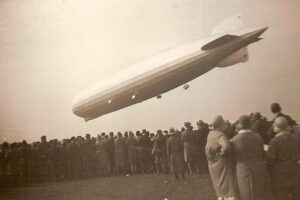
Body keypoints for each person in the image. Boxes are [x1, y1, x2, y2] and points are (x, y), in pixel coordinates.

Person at [231, 115, 272, 200]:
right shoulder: (258, 137)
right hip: (259, 168)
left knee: (245, 194)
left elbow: (232, 156)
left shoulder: (234, 140)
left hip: (243, 169)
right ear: (250, 124)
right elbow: (262, 152)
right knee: (260, 194)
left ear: (239, 125)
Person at [267, 117, 300, 200]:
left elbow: (270, 159)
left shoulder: (275, 141)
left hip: (280, 173)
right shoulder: (296, 139)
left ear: (277, 127)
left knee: (281, 195)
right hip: (295, 170)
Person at [205, 115, 238, 200]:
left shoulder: (210, 134)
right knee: (229, 189)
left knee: (220, 189)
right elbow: (226, 147)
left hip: (212, 164)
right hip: (222, 164)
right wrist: (222, 153)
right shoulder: (220, 135)